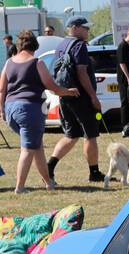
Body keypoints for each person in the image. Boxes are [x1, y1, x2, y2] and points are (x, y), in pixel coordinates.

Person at [2, 30, 78, 192]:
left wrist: (1, 110)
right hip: (29, 109)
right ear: (34, 46)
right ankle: (20, 187)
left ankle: (48, 182)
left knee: (37, 146)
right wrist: (68, 91)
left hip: (11, 109)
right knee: (28, 149)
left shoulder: (9, 63)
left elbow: (2, 90)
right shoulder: (37, 63)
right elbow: (52, 87)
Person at [47, 17, 103, 184]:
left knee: (71, 135)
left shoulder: (61, 45)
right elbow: (81, 72)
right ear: (75, 27)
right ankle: (94, 173)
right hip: (81, 98)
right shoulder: (79, 46)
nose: (88, 31)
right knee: (90, 135)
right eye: (85, 28)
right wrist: (93, 97)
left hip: (66, 96)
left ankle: (49, 166)